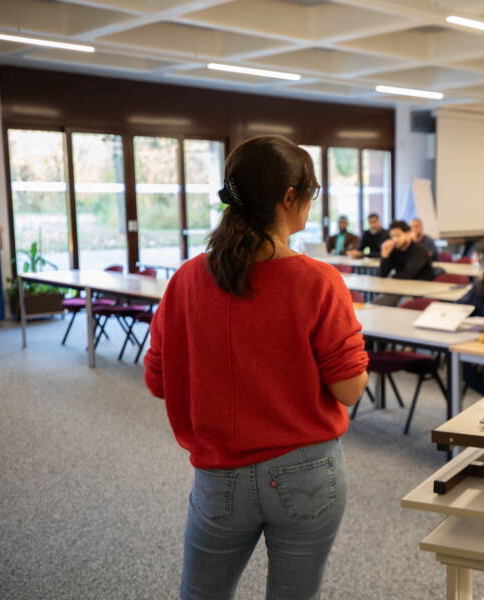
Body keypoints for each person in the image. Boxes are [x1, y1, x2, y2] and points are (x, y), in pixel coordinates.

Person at [143, 135, 368, 599]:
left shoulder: (186, 280)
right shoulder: (319, 281)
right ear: (290, 198)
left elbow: (157, 382)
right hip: (307, 471)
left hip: (218, 473)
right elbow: (348, 390)